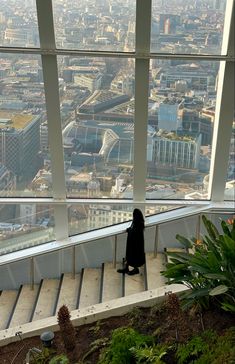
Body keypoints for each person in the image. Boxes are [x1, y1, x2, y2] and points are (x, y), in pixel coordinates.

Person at [117, 208, 145, 275]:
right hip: (132, 243)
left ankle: (135, 269)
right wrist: (128, 229)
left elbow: (135, 232)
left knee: (134, 256)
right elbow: (132, 229)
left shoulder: (139, 224)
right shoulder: (136, 222)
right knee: (129, 255)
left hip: (135, 244)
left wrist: (129, 231)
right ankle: (126, 268)